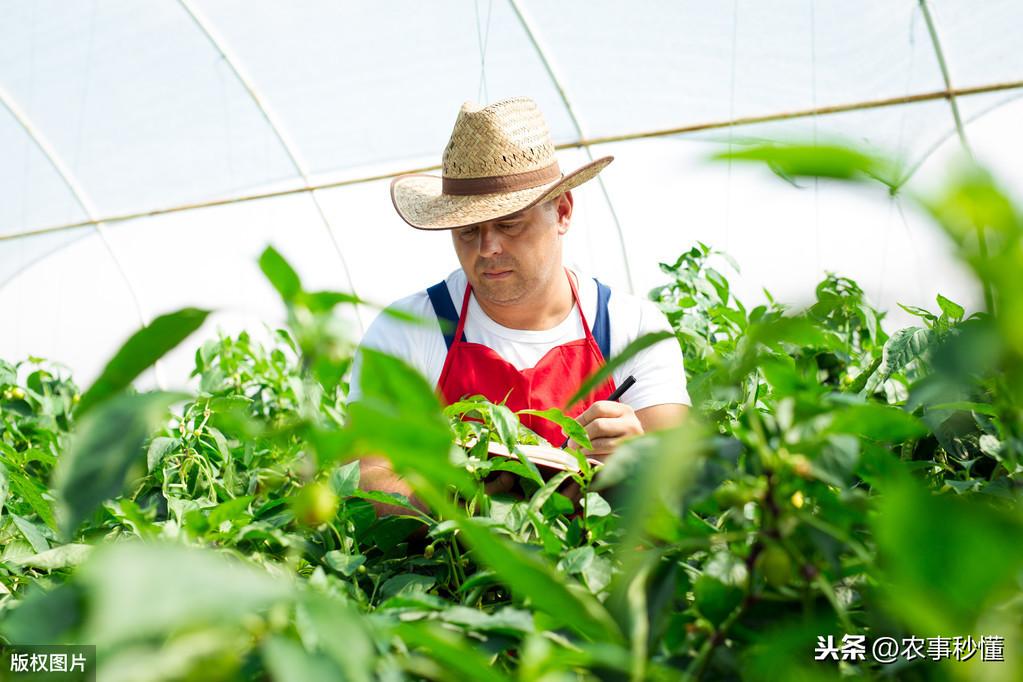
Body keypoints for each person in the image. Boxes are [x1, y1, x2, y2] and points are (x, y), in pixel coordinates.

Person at [348, 97, 690, 513]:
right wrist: (450, 496)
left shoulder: (631, 328)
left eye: (509, 224)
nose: (488, 247)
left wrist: (638, 461)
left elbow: (678, 491)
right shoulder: (408, 330)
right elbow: (365, 484)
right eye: (468, 231)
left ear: (562, 212)